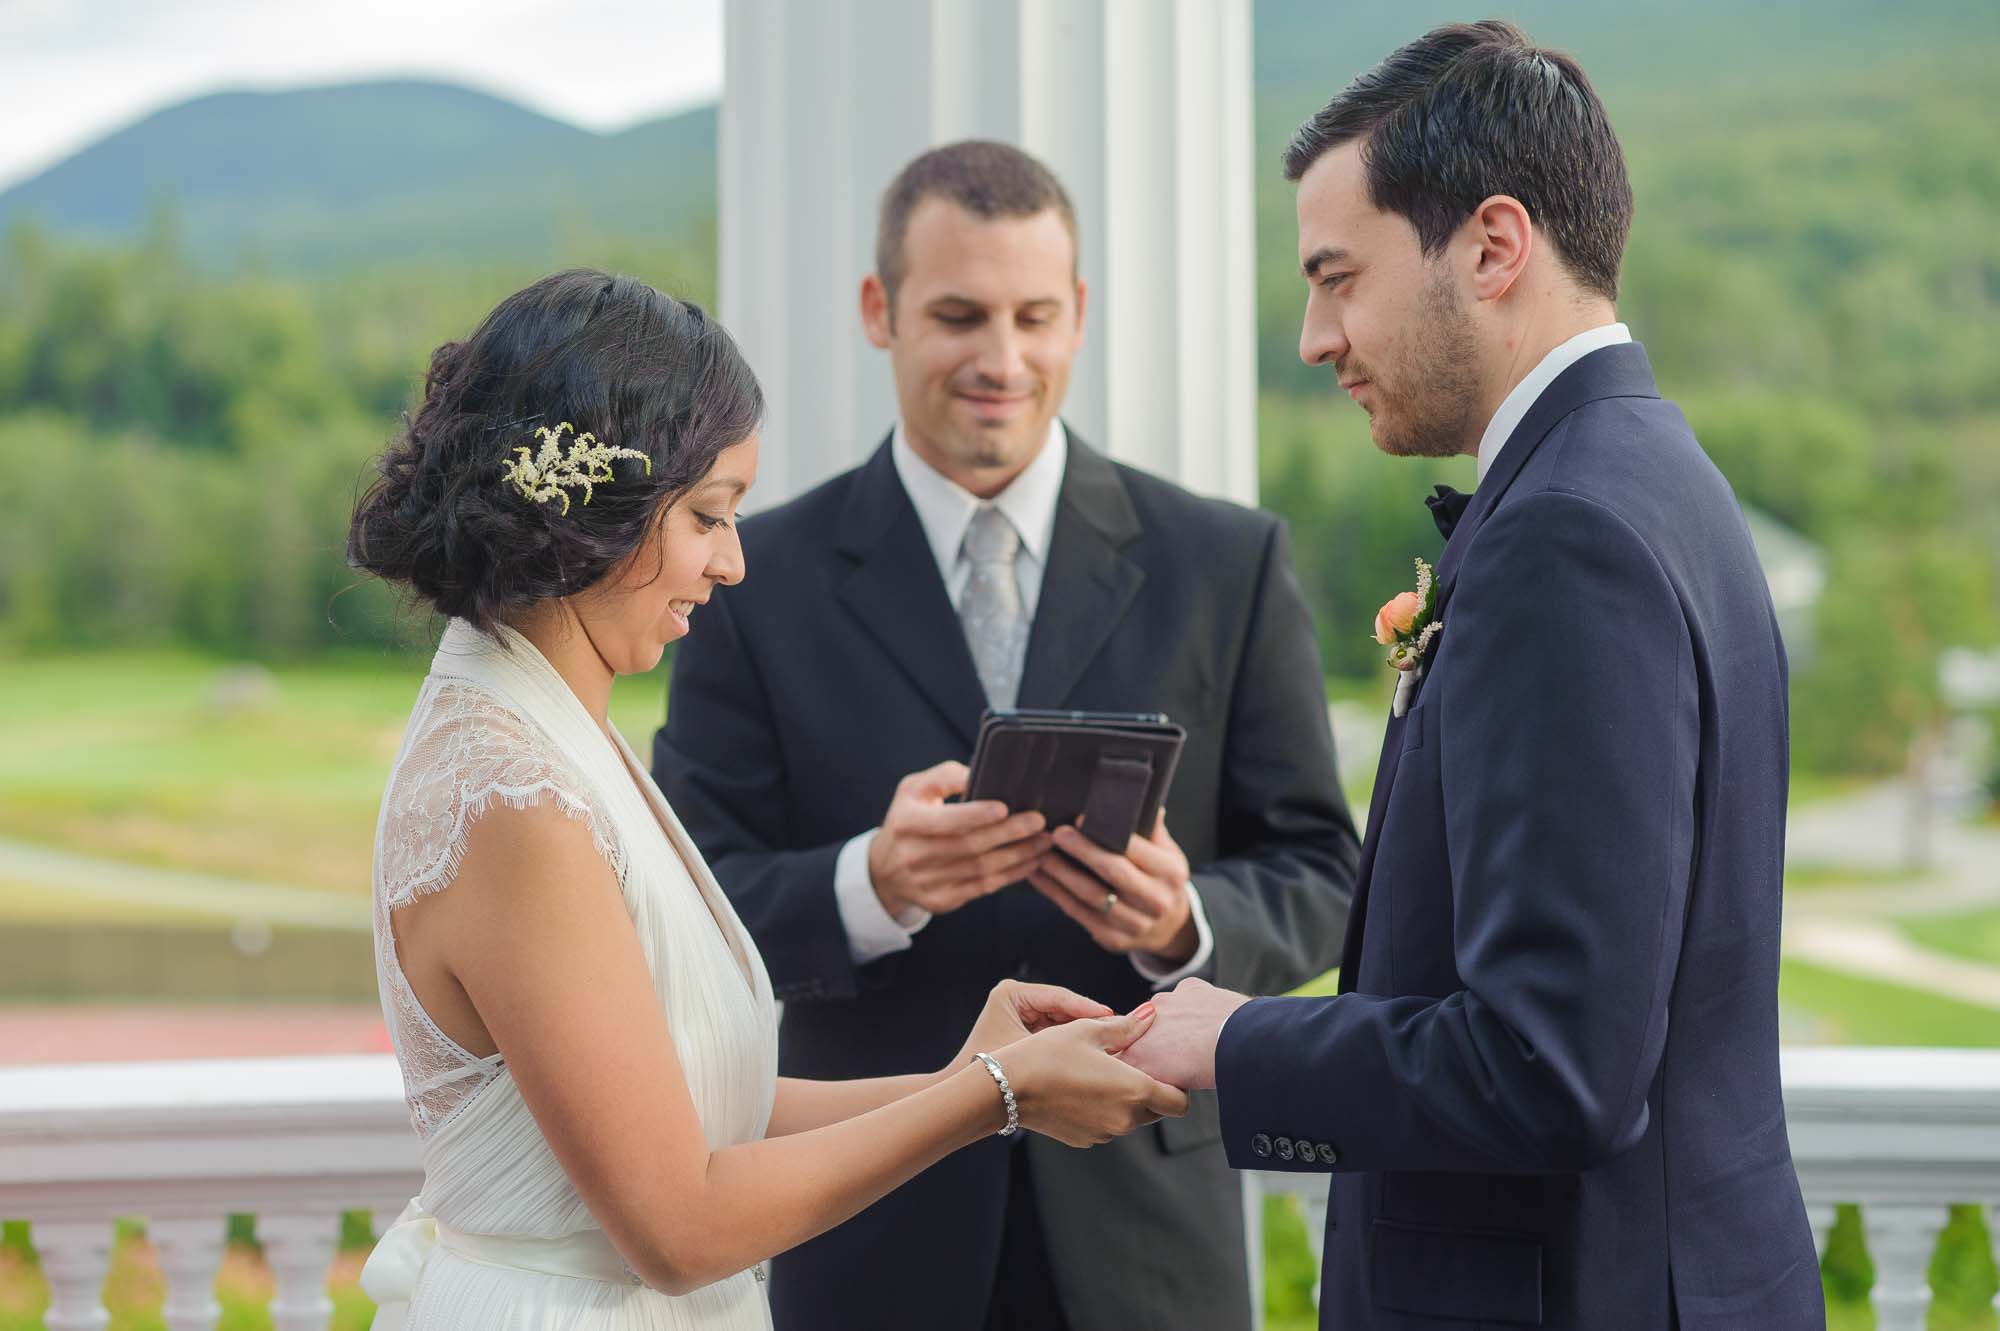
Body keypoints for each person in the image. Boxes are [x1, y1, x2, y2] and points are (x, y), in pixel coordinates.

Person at [1123, 21, 1824, 1330]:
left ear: (1494, 246)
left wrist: (1233, 1035)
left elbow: (1549, 1061)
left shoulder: (1565, 535)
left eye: (1338, 278)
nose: (1314, 337)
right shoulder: (1657, 472)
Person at [344, 268, 1186, 1331]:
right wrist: (994, 1097)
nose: (734, 562)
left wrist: (977, 1073)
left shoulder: (549, 729)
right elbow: (678, 1226)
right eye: (707, 515)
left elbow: (703, 1112)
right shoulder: (516, 795)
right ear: (594, 511)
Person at [654, 142, 1359, 1331]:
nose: (1001, 358)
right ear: (878, 310)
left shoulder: (1224, 562)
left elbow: (1324, 870)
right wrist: (869, 885)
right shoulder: (749, 580)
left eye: (1034, 316)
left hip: (1148, 1245)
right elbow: (685, 910)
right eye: (958, 315)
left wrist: (1185, 923)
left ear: (1076, 313)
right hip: (869, 1236)